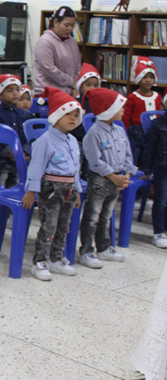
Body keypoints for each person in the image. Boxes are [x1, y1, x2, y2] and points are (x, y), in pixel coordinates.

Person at [23, 87, 83, 281]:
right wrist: (31, 191)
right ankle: (40, 262)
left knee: (64, 226)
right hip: (51, 189)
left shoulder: (73, 140)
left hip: (69, 189)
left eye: (76, 115)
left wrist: (78, 190)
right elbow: (36, 168)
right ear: (56, 115)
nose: (73, 118)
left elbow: (76, 168)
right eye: (68, 114)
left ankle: (57, 259)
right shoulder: (45, 141)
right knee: (49, 226)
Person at [78, 88, 134, 268]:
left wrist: (126, 174)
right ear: (108, 110)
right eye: (120, 107)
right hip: (101, 180)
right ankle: (86, 251)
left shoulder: (119, 130)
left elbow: (128, 155)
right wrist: (113, 177)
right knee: (92, 216)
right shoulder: (93, 134)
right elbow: (95, 162)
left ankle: (103, 247)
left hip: (117, 179)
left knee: (107, 215)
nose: (123, 110)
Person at [0, 74, 31, 232]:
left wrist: (25, 152)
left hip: (19, 161)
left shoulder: (24, 115)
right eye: (10, 90)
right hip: (2, 161)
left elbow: (27, 136)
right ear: (0, 94)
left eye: (17, 89)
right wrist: (9, 152)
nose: (15, 93)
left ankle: (10, 215)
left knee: (15, 185)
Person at [33, 6, 81, 97]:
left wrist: (74, 87)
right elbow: (49, 69)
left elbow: (77, 67)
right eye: (66, 25)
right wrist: (72, 82)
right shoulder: (45, 41)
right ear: (56, 22)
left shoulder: (72, 42)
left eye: (72, 25)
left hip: (67, 93)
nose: (70, 29)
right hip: (48, 94)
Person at [123, 58, 161, 166]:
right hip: (137, 131)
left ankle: (147, 173)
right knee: (135, 154)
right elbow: (126, 116)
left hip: (153, 131)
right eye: (144, 77)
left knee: (149, 154)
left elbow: (158, 115)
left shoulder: (157, 96)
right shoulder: (133, 96)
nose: (148, 80)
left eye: (151, 77)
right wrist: (124, 132)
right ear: (139, 78)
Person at [142, 95, 167, 249]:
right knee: (162, 200)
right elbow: (149, 147)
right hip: (162, 167)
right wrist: (146, 168)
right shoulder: (158, 124)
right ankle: (159, 232)